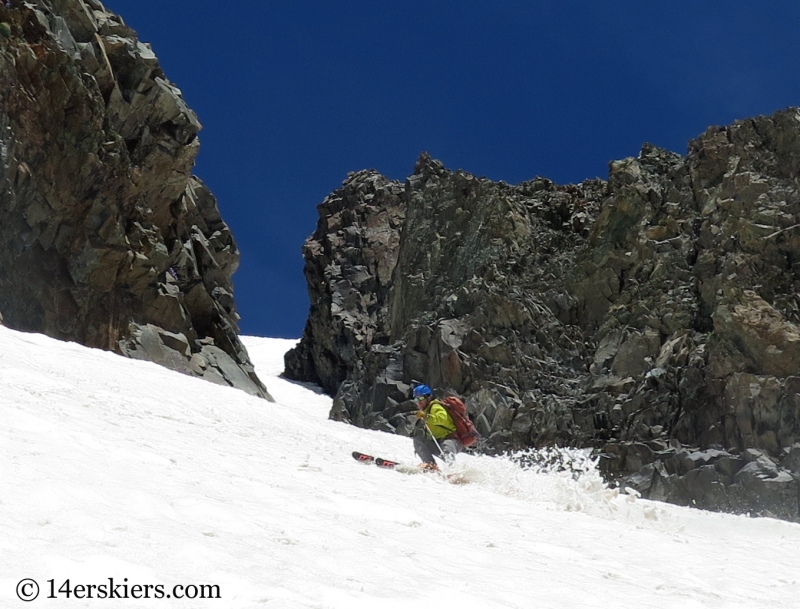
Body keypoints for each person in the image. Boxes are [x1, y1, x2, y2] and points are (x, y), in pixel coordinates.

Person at [412, 384, 464, 471]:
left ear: (428, 398)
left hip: (452, 440)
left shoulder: (435, 406)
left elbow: (442, 418)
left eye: (421, 398)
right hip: (438, 442)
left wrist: (426, 417)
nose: (418, 401)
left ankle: (453, 471)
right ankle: (430, 465)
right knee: (418, 441)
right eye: (416, 399)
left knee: (446, 448)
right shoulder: (425, 411)